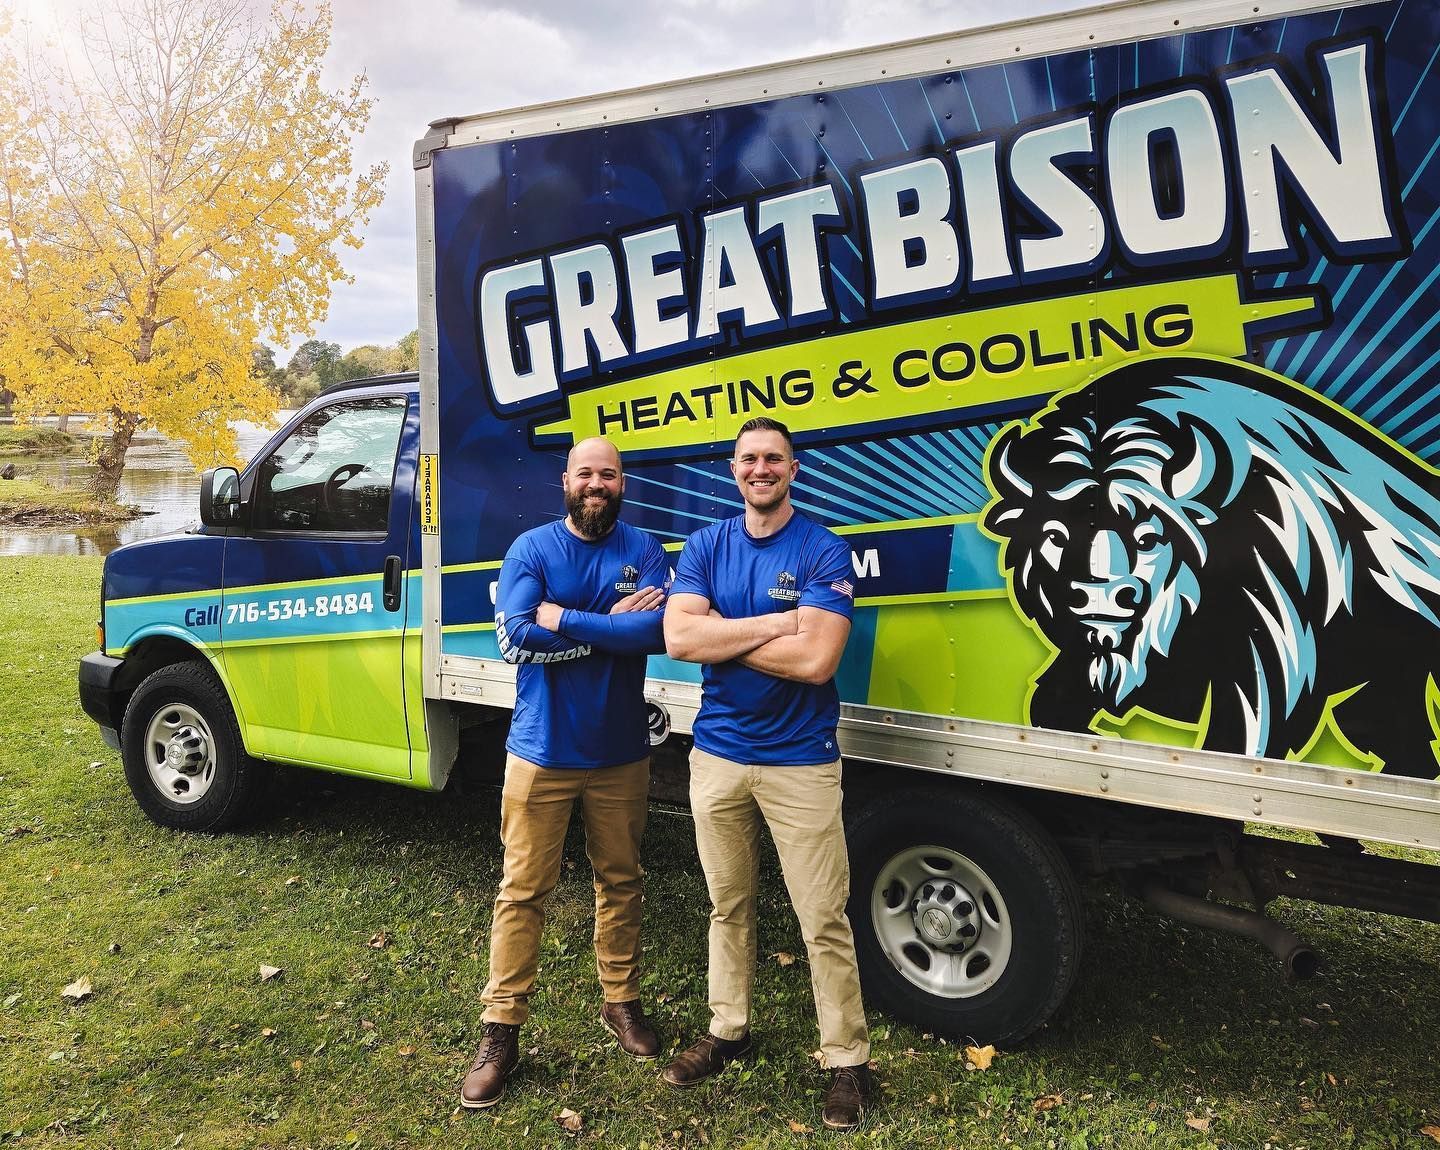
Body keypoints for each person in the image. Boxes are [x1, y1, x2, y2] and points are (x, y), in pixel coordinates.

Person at [660, 416, 872, 1131]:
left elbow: (816, 662)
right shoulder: (706, 544)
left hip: (799, 762)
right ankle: (728, 1029)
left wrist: (726, 631)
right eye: (750, 458)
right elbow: (678, 635)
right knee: (728, 904)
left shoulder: (820, 547)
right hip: (717, 755)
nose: (761, 469)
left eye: (774, 458)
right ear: (734, 468)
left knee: (823, 919)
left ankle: (846, 1061)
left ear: (793, 469)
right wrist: (775, 623)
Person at [461, 437, 670, 1110]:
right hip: (540, 752)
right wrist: (605, 628)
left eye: (608, 474)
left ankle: (621, 1002)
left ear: (622, 483)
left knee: (623, 880)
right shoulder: (533, 548)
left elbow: (656, 636)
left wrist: (571, 622)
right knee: (523, 890)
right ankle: (501, 1030)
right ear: (565, 481)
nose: (597, 483)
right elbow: (516, 635)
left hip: (620, 754)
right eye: (586, 473)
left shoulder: (644, 552)